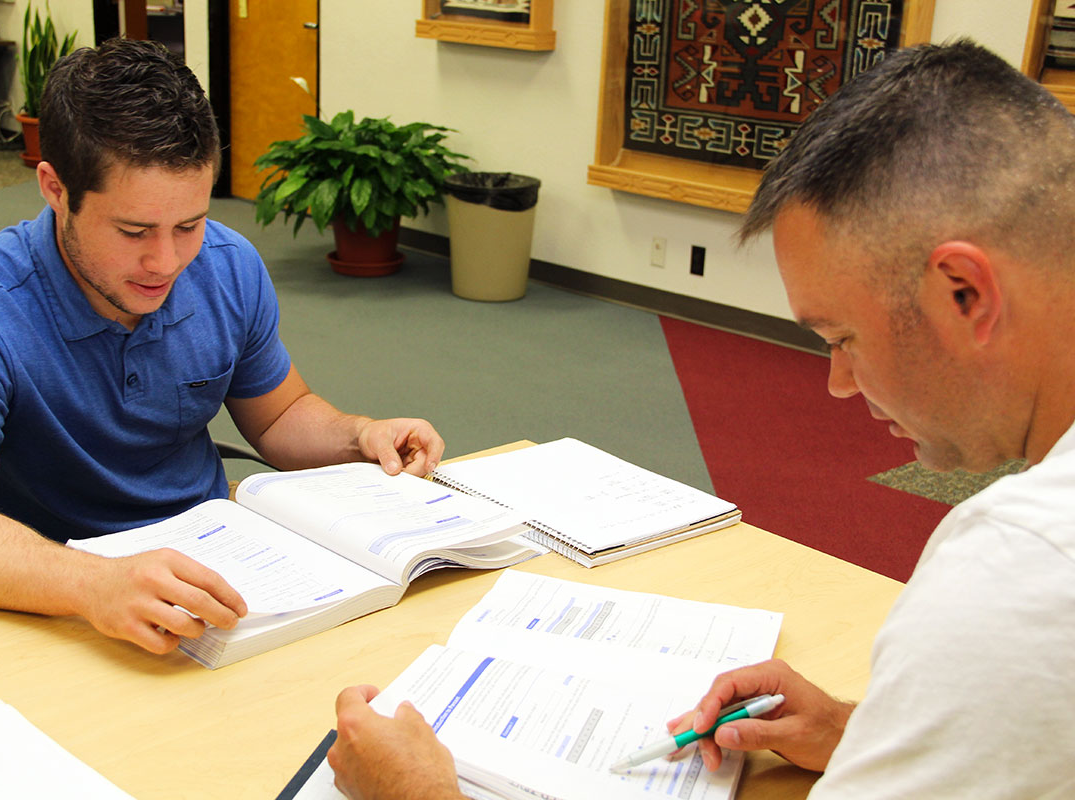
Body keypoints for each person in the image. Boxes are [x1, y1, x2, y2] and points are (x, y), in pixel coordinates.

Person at [323, 39, 1075, 799]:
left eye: (842, 339)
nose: (840, 384)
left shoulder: (1020, 572)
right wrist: (864, 730)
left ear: (965, 294)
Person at [0, 38, 444, 656]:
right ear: (55, 188)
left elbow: (279, 415)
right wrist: (91, 584)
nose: (166, 262)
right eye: (133, 230)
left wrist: (358, 435)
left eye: (189, 224)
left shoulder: (228, 266)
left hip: (218, 582)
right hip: (52, 608)